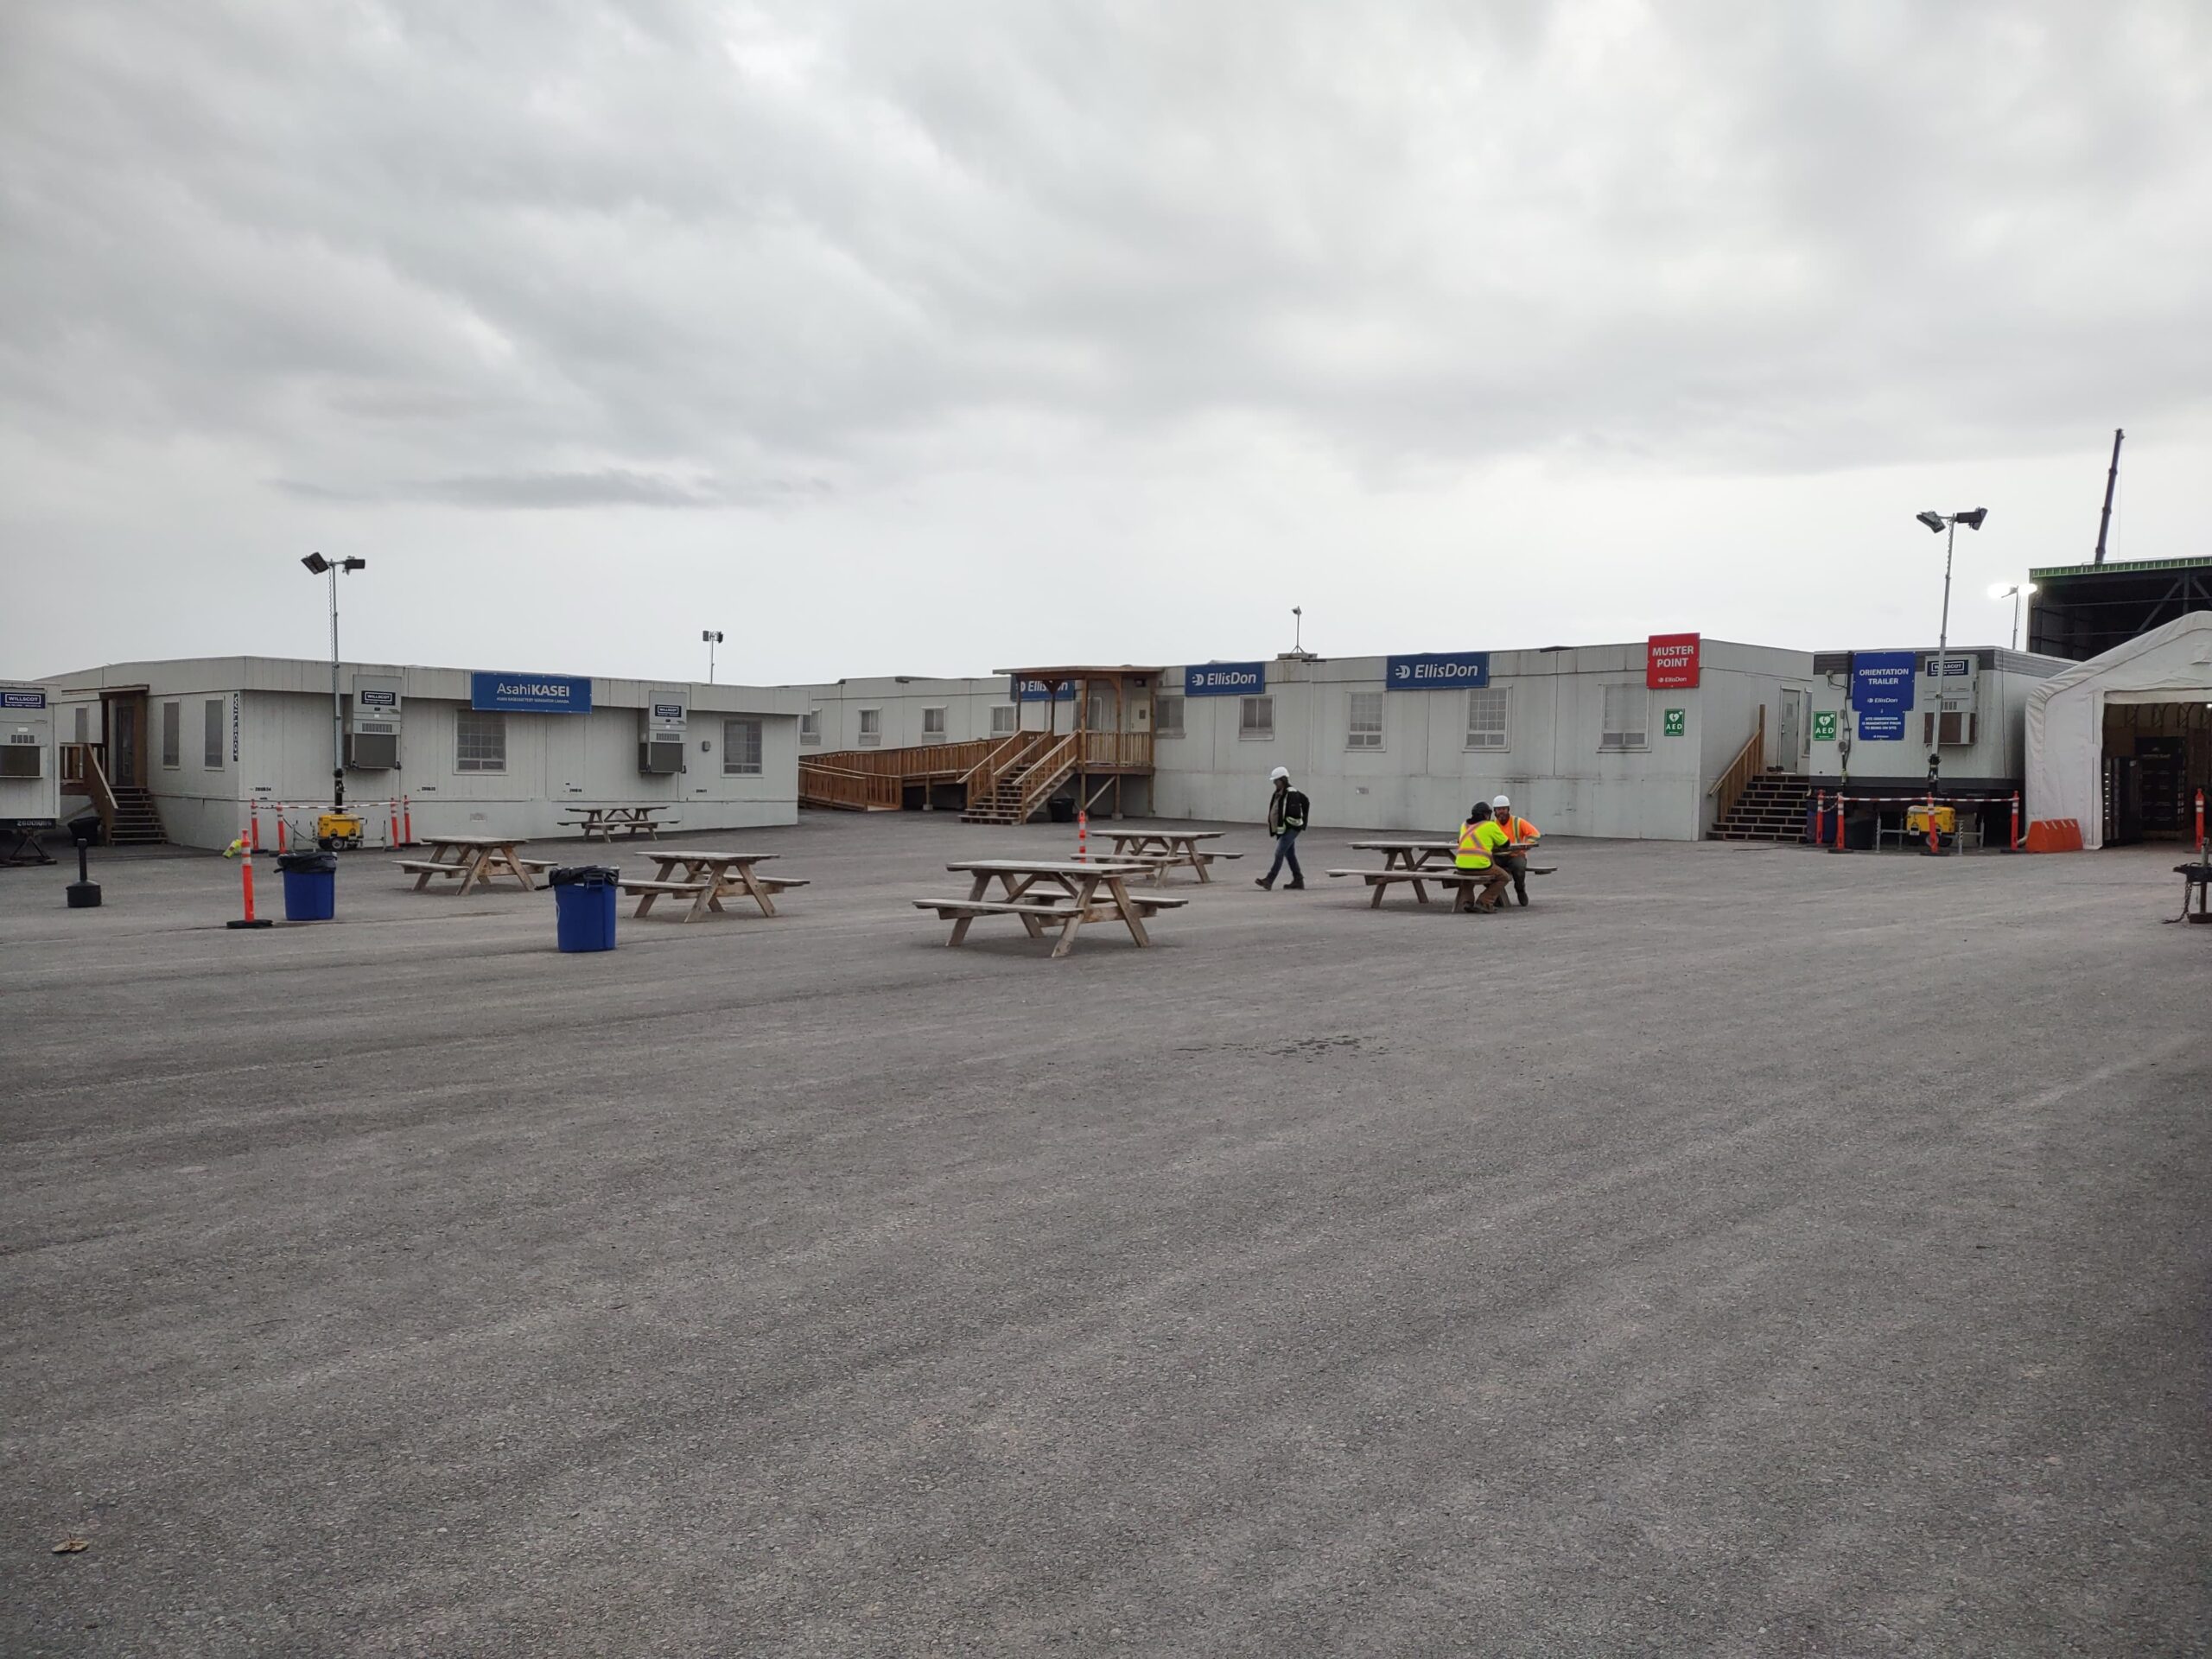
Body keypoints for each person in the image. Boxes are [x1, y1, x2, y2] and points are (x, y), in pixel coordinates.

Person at [1255, 766, 1309, 890]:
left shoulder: (1291, 793)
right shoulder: (1279, 793)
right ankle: (1298, 880)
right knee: (1290, 854)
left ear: (1283, 780)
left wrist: (1303, 822)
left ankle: (1269, 880)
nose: (1274, 783)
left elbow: (1305, 802)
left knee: (1279, 853)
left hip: (1291, 828)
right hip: (1284, 829)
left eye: (1276, 781)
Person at [1454, 801, 1513, 913]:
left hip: (1460, 867)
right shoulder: (1490, 825)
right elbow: (1505, 843)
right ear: (1486, 815)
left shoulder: (1464, 825)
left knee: (1467, 878)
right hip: (1480, 866)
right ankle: (1484, 901)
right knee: (1504, 877)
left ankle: (1467, 902)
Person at [1490, 792, 1541, 908]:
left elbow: (1535, 834)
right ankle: (1497, 896)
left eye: (1503, 809)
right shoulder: (1491, 824)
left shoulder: (1517, 822)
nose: (1501, 812)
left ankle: (1520, 890)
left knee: (1519, 868)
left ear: (1508, 809)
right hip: (1497, 856)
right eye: (1498, 809)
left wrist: (1526, 845)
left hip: (1515, 855)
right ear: (1494, 811)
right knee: (1485, 870)